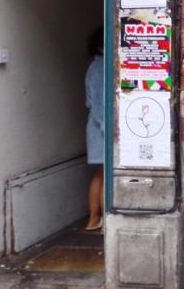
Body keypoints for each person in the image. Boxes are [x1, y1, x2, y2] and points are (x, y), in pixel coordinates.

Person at [85, 27, 105, 231]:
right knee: (105, 173)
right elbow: (100, 104)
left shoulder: (95, 66)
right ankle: (98, 219)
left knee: (101, 173)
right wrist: (108, 129)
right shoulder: (100, 69)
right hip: (101, 128)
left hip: (97, 126)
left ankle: (94, 219)